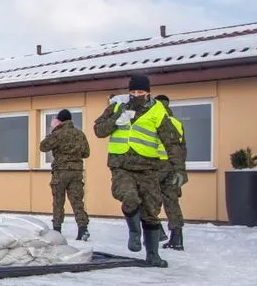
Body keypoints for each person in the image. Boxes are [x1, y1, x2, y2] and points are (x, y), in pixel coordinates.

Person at [92, 75, 184, 267]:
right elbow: (99, 130)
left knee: (151, 210)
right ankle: (134, 233)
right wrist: (116, 120)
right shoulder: (118, 107)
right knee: (129, 197)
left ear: (148, 92)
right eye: (133, 92)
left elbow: (172, 142)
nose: (136, 95)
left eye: (140, 92)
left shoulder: (158, 111)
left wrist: (179, 169)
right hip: (121, 165)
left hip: (149, 167)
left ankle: (152, 255)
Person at [38, 109, 90, 240]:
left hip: (60, 172)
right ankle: (83, 229)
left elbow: (43, 147)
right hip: (76, 172)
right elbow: (86, 153)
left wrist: (54, 129)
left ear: (59, 120)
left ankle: (57, 230)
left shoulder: (57, 133)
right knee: (77, 201)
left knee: (58, 201)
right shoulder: (80, 134)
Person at [155, 95, 188, 250]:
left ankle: (157, 232)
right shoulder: (177, 123)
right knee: (172, 201)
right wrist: (179, 168)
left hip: (154, 165)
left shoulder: (153, 120)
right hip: (172, 166)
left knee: (148, 199)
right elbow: (182, 149)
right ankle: (177, 237)